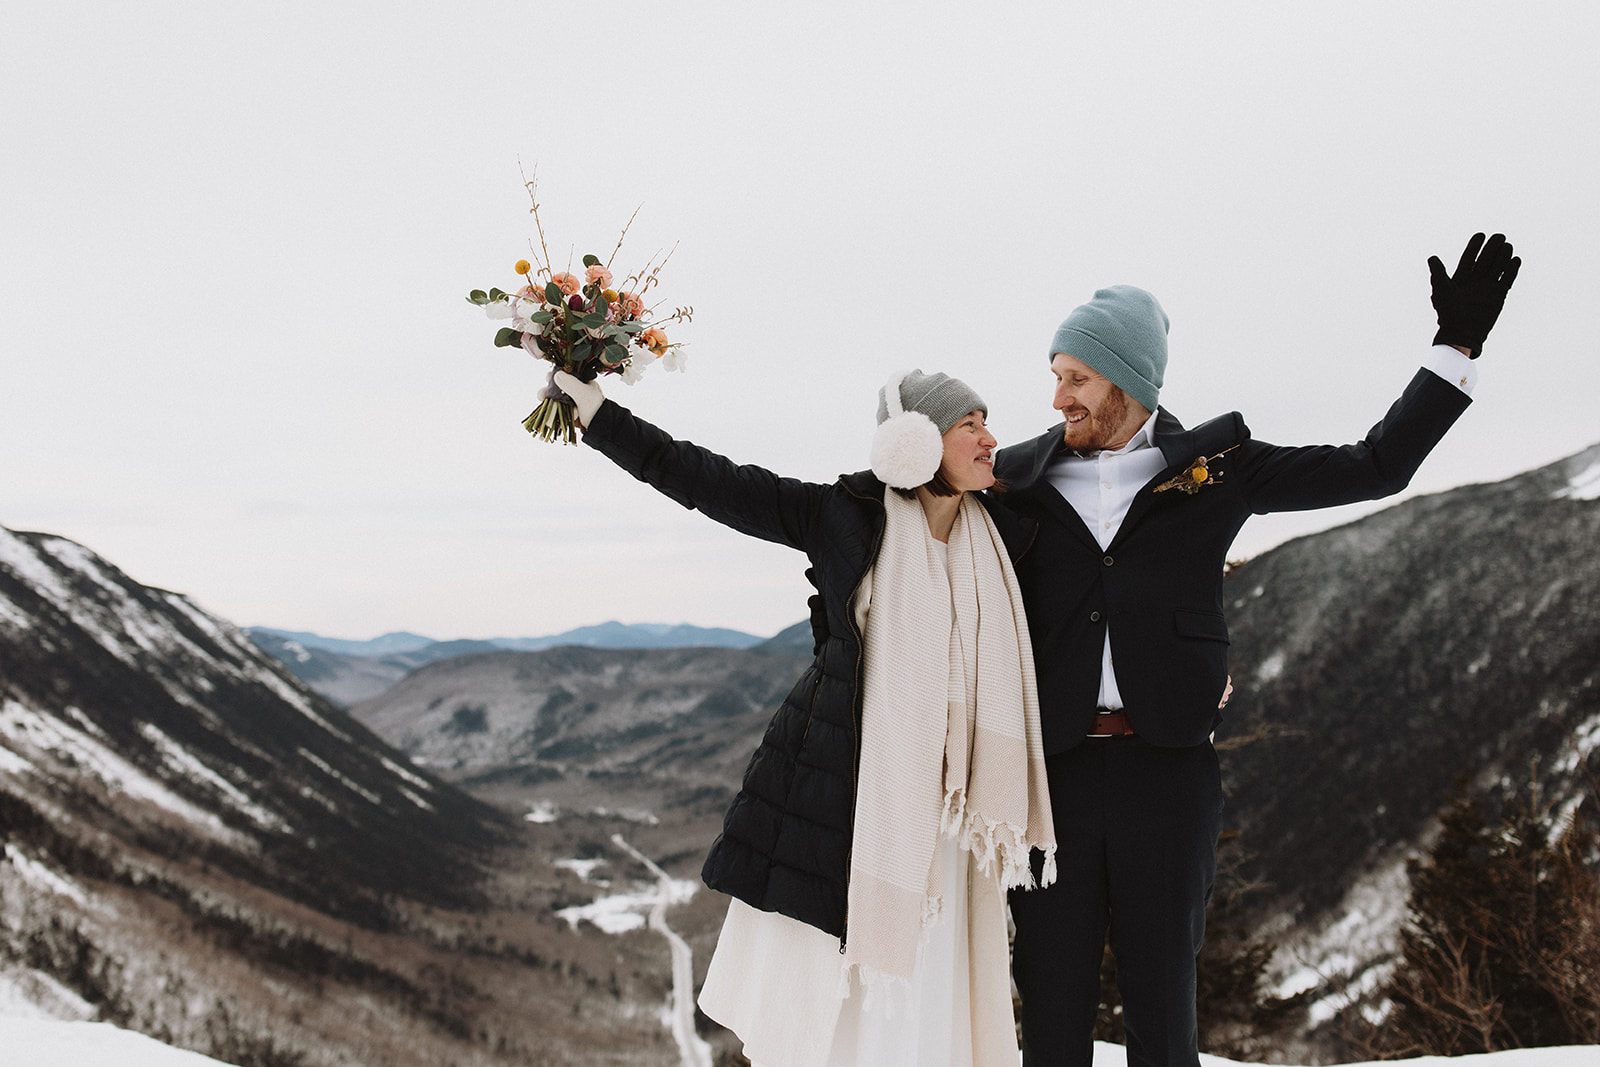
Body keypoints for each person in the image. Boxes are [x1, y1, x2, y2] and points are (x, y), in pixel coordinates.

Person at [992, 233, 1521, 1067]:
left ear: (1127, 379)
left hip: (1167, 775)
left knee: (1164, 1016)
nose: (1058, 396)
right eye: (1056, 375)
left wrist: (1455, 351)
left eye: (1076, 377)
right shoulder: (1017, 482)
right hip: (1048, 781)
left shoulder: (1218, 469)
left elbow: (1375, 465)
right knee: (1050, 1014)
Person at [551, 366, 1057, 1066]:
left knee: (935, 994)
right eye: (970, 424)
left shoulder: (1003, 536)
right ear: (914, 440)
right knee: (850, 1001)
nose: (990, 438)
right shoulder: (841, 514)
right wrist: (600, 417)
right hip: (853, 805)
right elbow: (704, 480)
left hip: (954, 820)